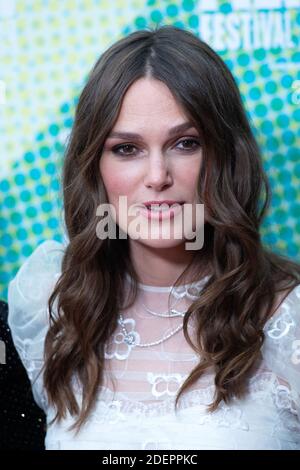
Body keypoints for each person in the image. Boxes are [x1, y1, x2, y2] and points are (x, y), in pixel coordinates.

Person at [8, 25, 300, 450]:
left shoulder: (289, 319)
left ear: (225, 155)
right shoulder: (49, 306)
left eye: (185, 143)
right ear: (95, 167)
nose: (158, 176)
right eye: (127, 149)